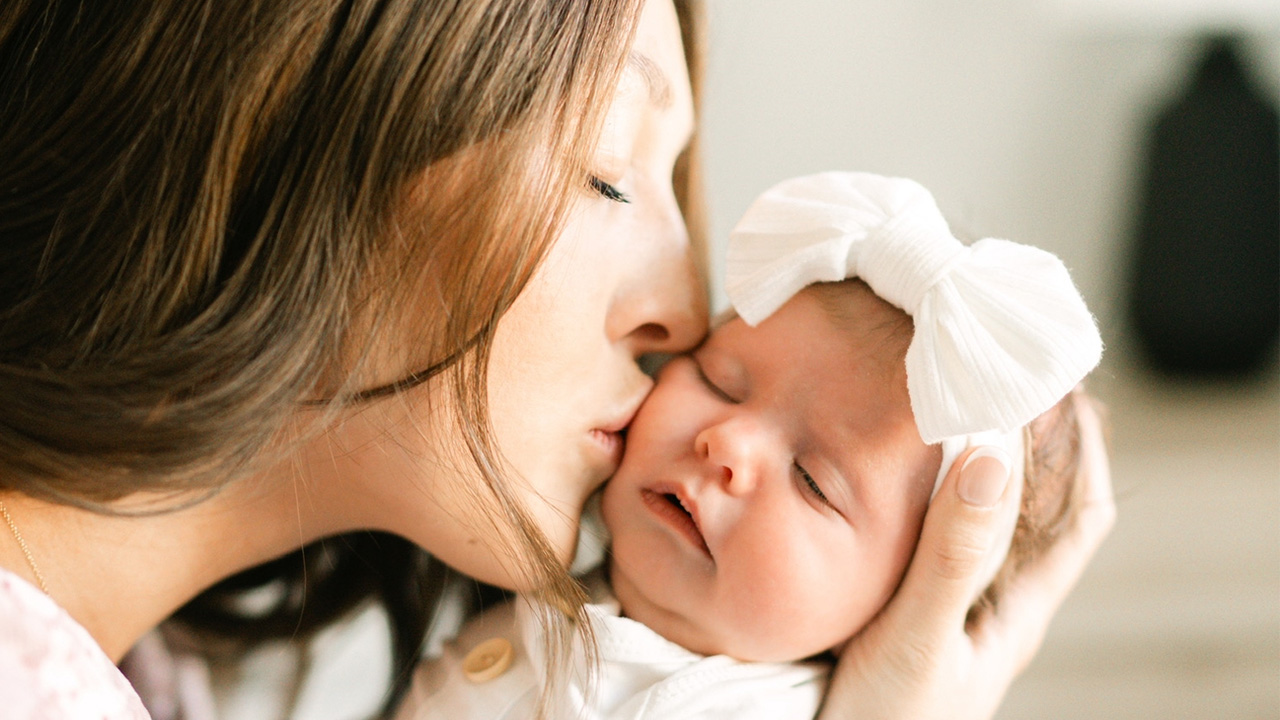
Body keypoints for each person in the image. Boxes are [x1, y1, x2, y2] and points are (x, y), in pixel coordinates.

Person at [0, 1, 1114, 718]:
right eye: (608, 175)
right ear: (278, 116)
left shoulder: (141, 677)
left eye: (819, 481)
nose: (683, 318)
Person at [394, 171, 1105, 719]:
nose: (726, 441)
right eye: (719, 382)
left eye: (814, 481)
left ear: (906, 606)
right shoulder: (513, 570)